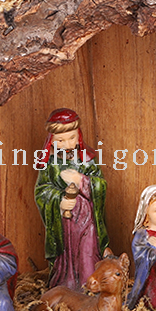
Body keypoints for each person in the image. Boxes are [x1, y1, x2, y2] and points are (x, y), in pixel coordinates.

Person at [34, 108, 110, 291]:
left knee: (87, 251)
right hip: (64, 223)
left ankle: (89, 283)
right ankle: (66, 286)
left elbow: (101, 185)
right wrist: (59, 200)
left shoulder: (87, 160)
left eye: (72, 138)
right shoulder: (50, 164)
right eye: (60, 140)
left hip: (87, 220)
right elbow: (41, 191)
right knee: (67, 253)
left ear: (79, 136)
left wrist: (81, 180)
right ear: (51, 140)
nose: (67, 144)